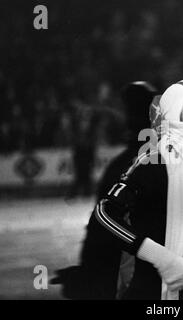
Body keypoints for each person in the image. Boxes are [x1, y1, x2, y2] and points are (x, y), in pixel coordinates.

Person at [51, 81, 158, 299]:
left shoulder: (124, 166)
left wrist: (88, 274)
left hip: (133, 279)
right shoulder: (181, 161)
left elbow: (102, 227)